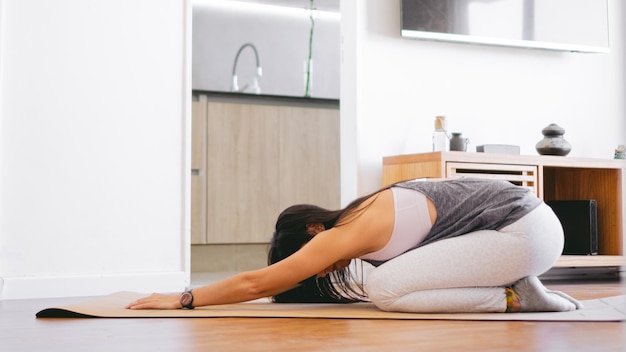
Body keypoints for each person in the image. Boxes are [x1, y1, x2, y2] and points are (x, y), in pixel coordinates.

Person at [126, 178, 583, 313]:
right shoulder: (365, 221)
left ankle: (514, 297)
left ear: (313, 232)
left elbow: (254, 283)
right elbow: (267, 288)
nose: (321, 271)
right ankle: (515, 289)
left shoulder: (348, 231)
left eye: (307, 262)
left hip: (524, 232)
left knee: (386, 290)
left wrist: (183, 298)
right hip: (523, 232)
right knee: (383, 283)